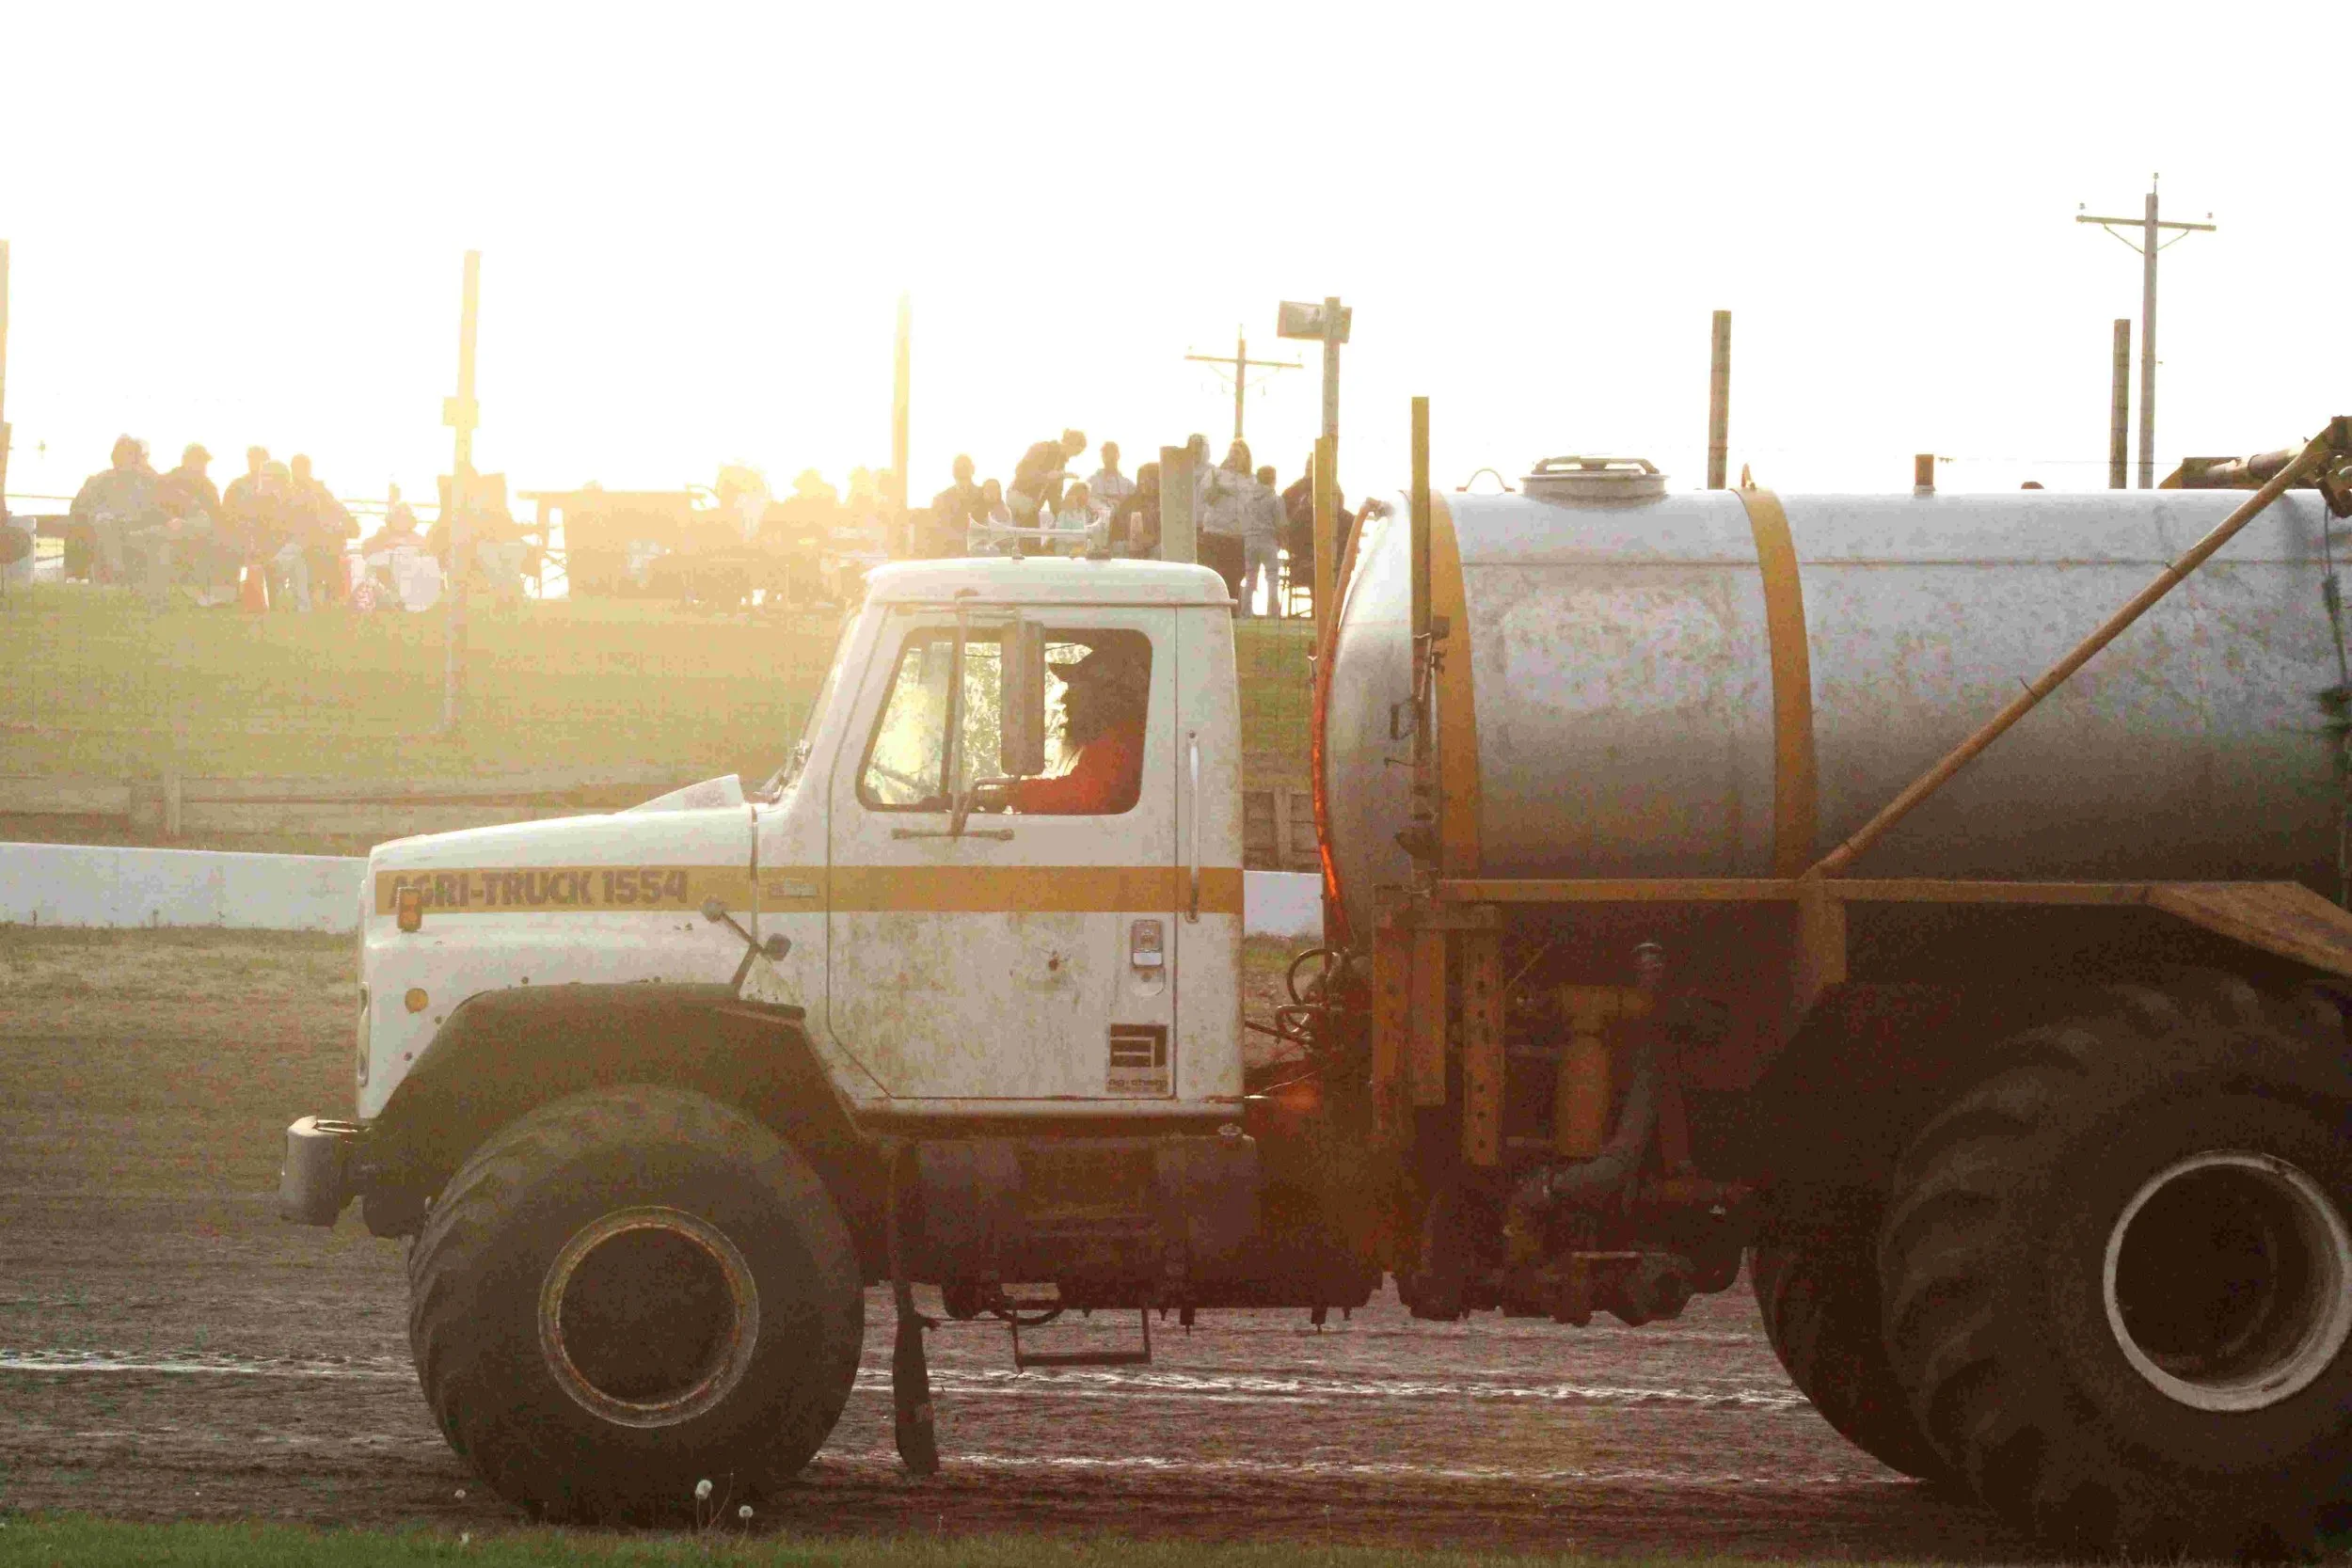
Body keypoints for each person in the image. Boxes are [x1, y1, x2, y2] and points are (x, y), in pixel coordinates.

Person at [1009, 641, 1149, 816]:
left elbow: (1081, 796)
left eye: (1076, 688)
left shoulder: (1124, 741)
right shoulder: (1123, 735)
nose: (1065, 698)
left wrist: (1013, 794)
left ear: (1108, 694)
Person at [149, 443, 237, 606]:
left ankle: (220, 596)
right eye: (199, 461)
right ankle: (197, 595)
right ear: (185, 461)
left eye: (204, 462)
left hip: (202, 534)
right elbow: (153, 506)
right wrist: (169, 519)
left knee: (225, 541)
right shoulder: (168, 480)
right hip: (169, 529)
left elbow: (217, 516)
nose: (203, 465)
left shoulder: (209, 487)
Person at [68, 436, 158, 585]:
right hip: (105, 526)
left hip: (135, 527)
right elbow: (80, 507)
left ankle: (122, 578)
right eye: (122, 454)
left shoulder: (147, 481)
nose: (126, 459)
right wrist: (98, 515)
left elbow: (154, 508)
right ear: (115, 457)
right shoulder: (99, 480)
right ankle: (117, 577)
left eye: (130, 454)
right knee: (105, 525)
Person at [290, 454, 358, 604]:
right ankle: (321, 594)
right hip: (299, 540)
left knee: (328, 551)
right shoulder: (289, 491)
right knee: (320, 551)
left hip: (321, 542)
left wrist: (344, 525)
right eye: (298, 468)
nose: (301, 472)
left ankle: (327, 596)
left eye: (304, 468)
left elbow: (338, 511)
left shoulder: (320, 490)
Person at [1009, 429, 1086, 527]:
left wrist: (1066, 512)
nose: (1076, 456)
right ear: (1071, 443)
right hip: (1018, 497)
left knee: (1032, 537)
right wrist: (1046, 477)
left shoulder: (1061, 465)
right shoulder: (1042, 448)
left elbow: (1054, 498)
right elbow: (1020, 471)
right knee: (1029, 536)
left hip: (1032, 507)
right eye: (1077, 451)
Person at [1239, 464, 1286, 617]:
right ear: (1273, 480)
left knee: (1250, 576)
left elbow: (1243, 518)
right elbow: (1281, 523)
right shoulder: (1275, 499)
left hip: (1250, 540)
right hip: (1268, 539)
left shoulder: (1249, 499)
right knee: (1272, 577)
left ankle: (1246, 611)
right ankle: (1272, 612)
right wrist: (1281, 540)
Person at [1107, 461, 1161, 558]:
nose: (1144, 482)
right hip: (1129, 552)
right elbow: (1114, 536)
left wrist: (1154, 540)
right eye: (1142, 478)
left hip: (1157, 553)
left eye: (1150, 478)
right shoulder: (1128, 504)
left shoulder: (1168, 505)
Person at [1087, 442, 1135, 512]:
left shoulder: (1128, 484)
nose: (1109, 458)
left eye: (1112, 455)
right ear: (1102, 457)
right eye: (1106, 454)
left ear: (1118, 456)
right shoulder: (1091, 481)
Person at [1051, 481, 1096, 552]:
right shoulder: (1065, 512)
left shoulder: (1085, 512)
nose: (1088, 497)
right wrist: (1077, 542)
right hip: (1066, 549)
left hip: (1081, 549)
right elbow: (1060, 535)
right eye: (1086, 494)